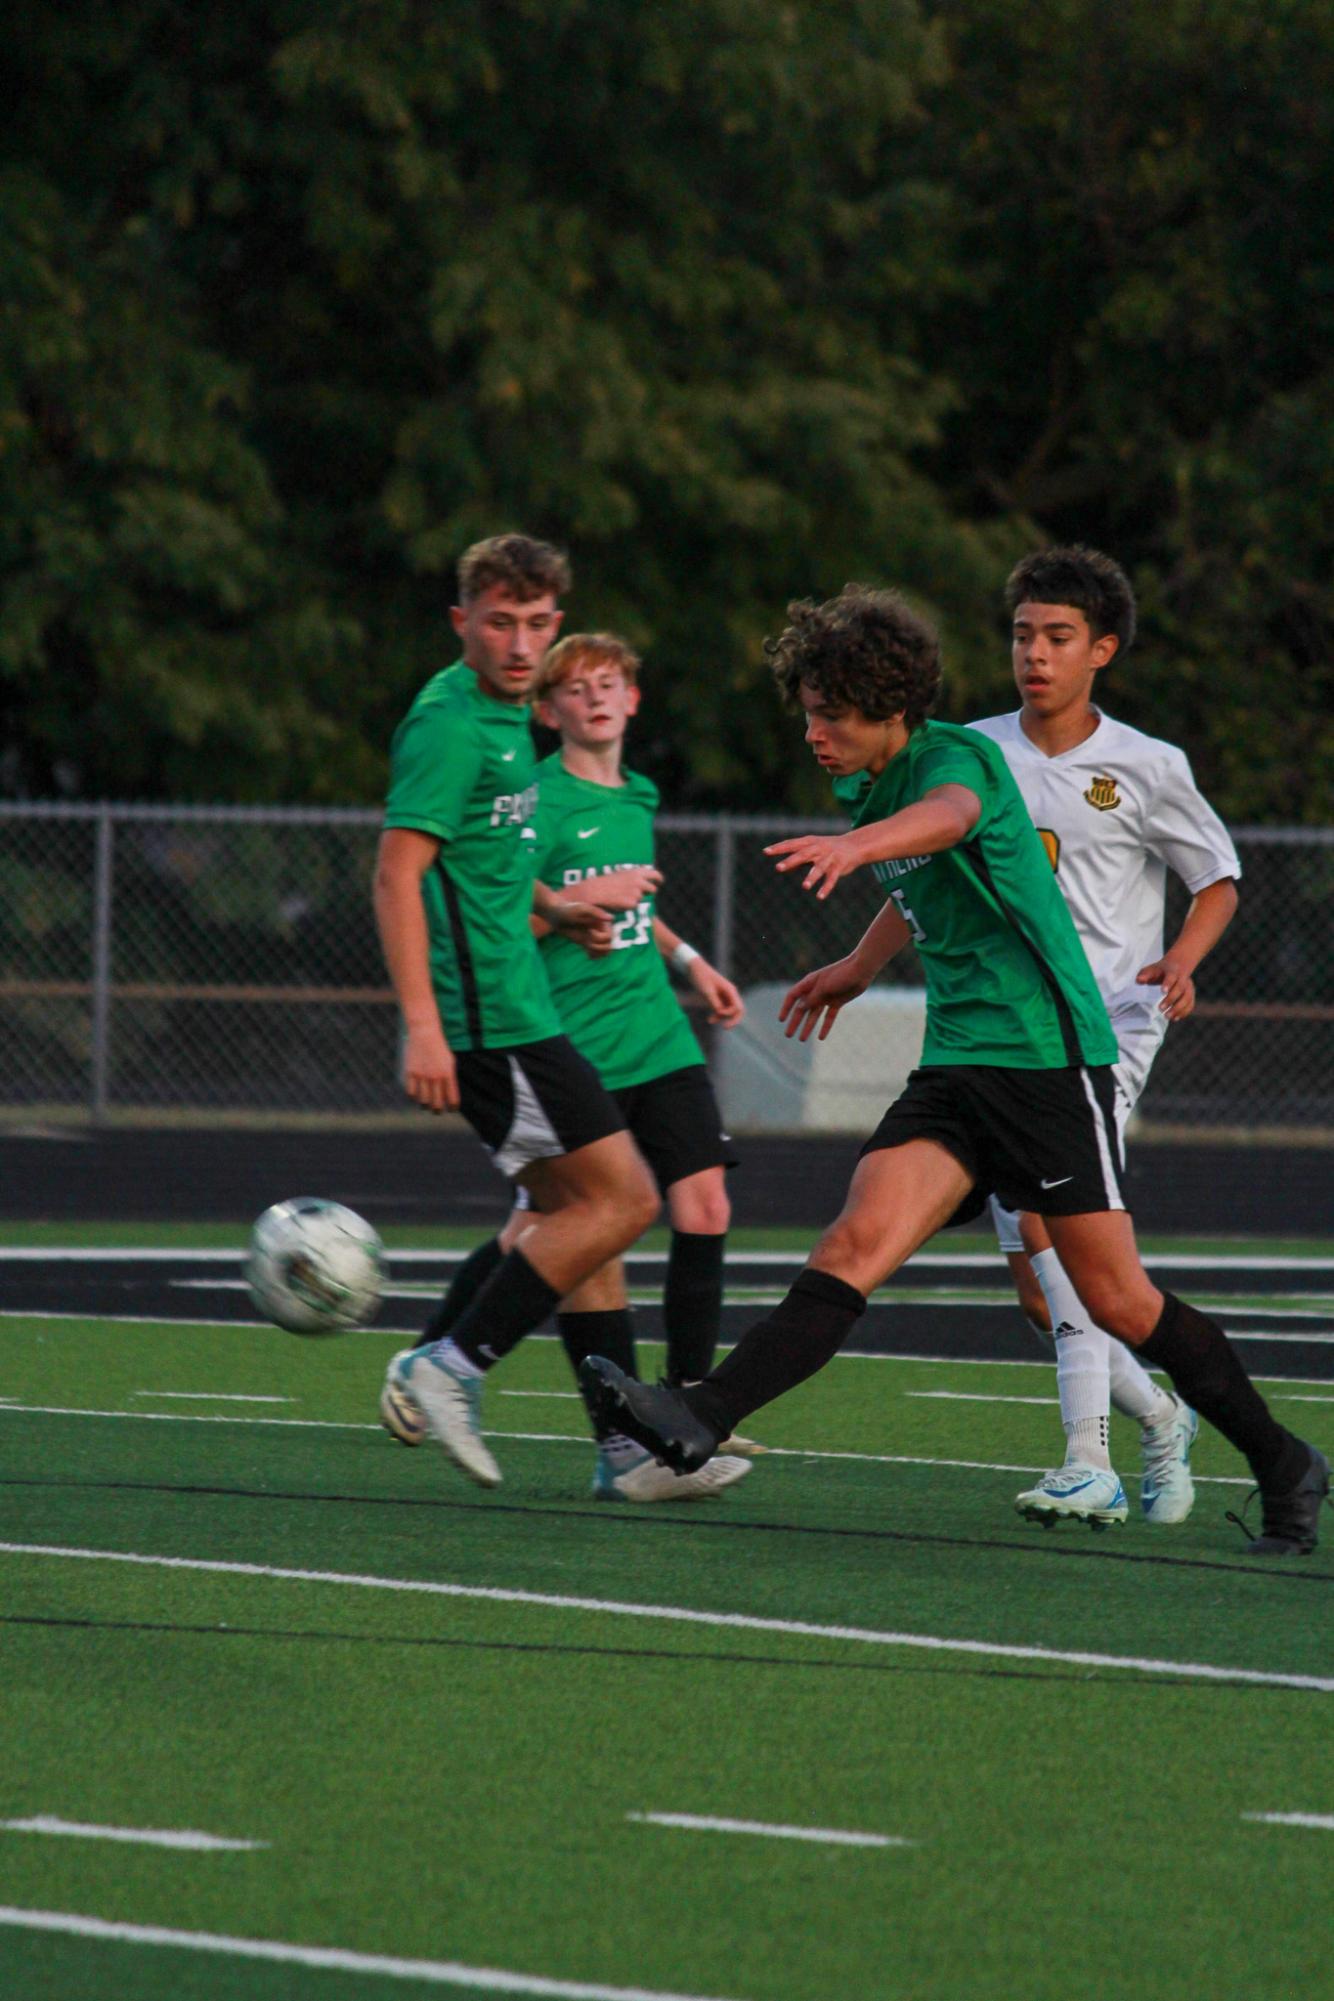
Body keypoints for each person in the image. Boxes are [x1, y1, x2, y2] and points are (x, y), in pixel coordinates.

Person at [581, 583, 1328, 1558]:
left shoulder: (952, 759)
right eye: (807, 713)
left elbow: (948, 819)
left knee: (1115, 1300)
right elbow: (922, 880)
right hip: (957, 1066)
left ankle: (1281, 1462)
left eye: (832, 716)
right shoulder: (869, 777)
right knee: (853, 1243)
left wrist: (856, 845)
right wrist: (854, 966)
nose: (815, 733)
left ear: (890, 709)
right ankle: (697, 1419)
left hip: (1045, 1060)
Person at [383, 628, 755, 1501]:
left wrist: (689, 959)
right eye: (576, 686)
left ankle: (661, 1426)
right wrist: (576, 903)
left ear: (633, 699)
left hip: (653, 1031)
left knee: (674, 1205)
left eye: (610, 683)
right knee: (572, 1222)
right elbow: (497, 908)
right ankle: (442, 1360)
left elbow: (627, 905)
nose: (594, 697)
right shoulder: (525, 787)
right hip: (559, 1030)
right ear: (548, 710)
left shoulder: (640, 792)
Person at [373, 533, 667, 1493]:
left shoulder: (511, 726)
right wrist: (422, 1024)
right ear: (463, 621)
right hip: (494, 1021)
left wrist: (554, 908)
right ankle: (447, 1365)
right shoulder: (451, 726)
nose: (519, 643)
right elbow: (400, 873)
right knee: (624, 1200)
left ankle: (622, 1445)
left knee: (578, 1214)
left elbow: (480, 865)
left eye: (538, 624)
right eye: (499, 621)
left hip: (520, 1002)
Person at [970, 545, 1240, 1529]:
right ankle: (1162, 1416)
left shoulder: (1145, 765)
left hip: (1105, 1031)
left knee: (1054, 1235)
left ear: (1101, 650)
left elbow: (1215, 878)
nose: (1032, 655)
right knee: (1043, 1294)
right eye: (1020, 635)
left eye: (1055, 637)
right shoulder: (972, 751)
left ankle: (1085, 1461)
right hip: (1002, 1031)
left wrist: (1181, 960)